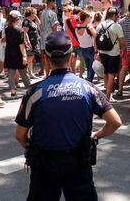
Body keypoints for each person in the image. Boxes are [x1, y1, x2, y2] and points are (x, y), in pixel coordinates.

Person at [15, 31, 122, 200]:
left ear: (46, 59)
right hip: (78, 161)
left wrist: (31, 148)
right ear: (71, 57)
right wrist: (96, 135)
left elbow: (20, 135)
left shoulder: (34, 92)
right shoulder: (88, 88)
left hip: (45, 163)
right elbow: (115, 122)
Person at [95, 7, 126, 102]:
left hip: (102, 52)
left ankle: (107, 94)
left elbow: (95, 40)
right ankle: (108, 96)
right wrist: (123, 51)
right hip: (113, 54)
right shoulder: (116, 26)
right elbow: (122, 42)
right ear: (113, 15)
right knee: (112, 74)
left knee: (105, 73)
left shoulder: (100, 25)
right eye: (117, 15)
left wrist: (96, 52)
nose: (117, 17)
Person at [5, 10, 31, 97]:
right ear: (17, 20)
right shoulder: (20, 31)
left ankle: (13, 90)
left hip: (9, 52)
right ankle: (29, 89)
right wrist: (24, 56)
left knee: (11, 72)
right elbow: (21, 45)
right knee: (24, 72)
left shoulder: (7, 29)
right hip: (18, 53)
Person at [39, 0, 59, 77]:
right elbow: (54, 27)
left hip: (43, 37)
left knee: (44, 56)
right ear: (51, 3)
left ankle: (44, 73)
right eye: (54, 3)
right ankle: (51, 74)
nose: (55, 5)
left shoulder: (42, 12)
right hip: (50, 38)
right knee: (51, 57)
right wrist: (56, 37)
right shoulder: (52, 13)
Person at [76, 11, 97, 82]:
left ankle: (88, 79)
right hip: (90, 48)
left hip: (82, 48)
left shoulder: (77, 27)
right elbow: (96, 35)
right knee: (92, 67)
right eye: (89, 17)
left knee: (88, 66)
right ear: (86, 18)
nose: (90, 18)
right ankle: (89, 80)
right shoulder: (89, 27)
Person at [22, 7, 41, 79]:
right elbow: (25, 32)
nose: (36, 14)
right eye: (34, 13)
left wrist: (35, 16)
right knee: (28, 59)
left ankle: (30, 73)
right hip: (30, 42)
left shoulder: (32, 21)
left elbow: (39, 23)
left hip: (34, 42)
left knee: (31, 58)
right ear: (31, 13)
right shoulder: (26, 22)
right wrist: (28, 42)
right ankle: (26, 74)